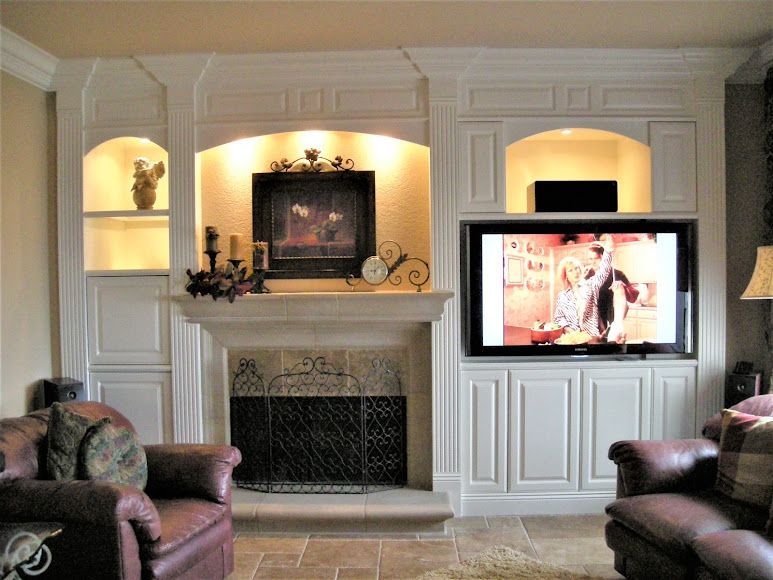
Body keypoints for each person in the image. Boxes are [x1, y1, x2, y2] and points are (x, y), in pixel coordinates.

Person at [553, 235, 614, 337]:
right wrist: (567, 329)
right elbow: (559, 318)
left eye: (577, 268)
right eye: (571, 270)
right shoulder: (562, 296)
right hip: (571, 338)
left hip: (591, 337)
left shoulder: (590, 285)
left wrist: (608, 251)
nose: (575, 272)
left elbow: (603, 272)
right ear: (566, 275)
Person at [584, 242, 639, 340]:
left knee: (612, 344)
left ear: (603, 257)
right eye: (590, 259)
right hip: (595, 321)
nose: (592, 262)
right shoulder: (587, 276)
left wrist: (623, 286)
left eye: (596, 258)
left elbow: (633, 297)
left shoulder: (617, 274)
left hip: (613, 320)